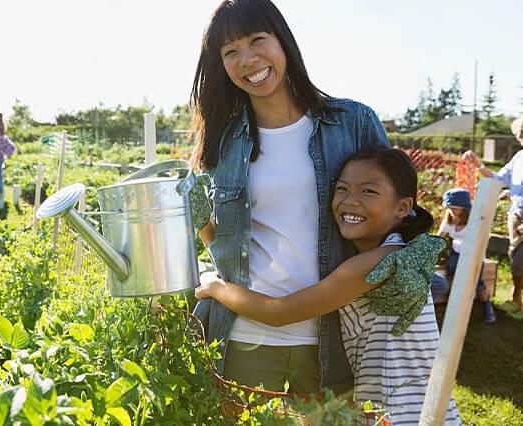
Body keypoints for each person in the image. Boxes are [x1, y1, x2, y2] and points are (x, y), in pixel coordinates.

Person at [188, 0, 440, 395]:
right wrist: (205, 229)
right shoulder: (223, 140)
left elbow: (391, 207)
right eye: (230, 51)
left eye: (257, 41)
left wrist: (410, 255)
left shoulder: (352, 122)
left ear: (282, 41)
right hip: (245, 337)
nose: (247, 60)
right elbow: (224, 241)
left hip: (334, 340)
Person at [196, 146, 460, 425]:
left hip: (408, 415)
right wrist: (206, 226)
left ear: (403, 207)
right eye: (342, 189)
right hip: (401, 409)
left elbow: (279, 312)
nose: (350, 201)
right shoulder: (394, 255)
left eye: (368, 191)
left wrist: (216, 287)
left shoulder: (375, 266)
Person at [463, 115, 523, 309]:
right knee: (516, 257)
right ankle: (517, 296)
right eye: (520, 134)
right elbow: (497, 179)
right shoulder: (519, 158)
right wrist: (478, 164)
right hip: (517, 214)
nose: (522, 137)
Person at [433, 188, 496, 323]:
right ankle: (454, 307)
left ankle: (487, 308)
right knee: (453, 273)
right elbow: (439, 237)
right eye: (449, 207)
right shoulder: (449, 219)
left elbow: (482, 239)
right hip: (457, 253)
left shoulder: (474, 221)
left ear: (464, 208)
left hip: (473, 255)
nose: (451, 210)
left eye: (455, 207)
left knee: (476, 282)